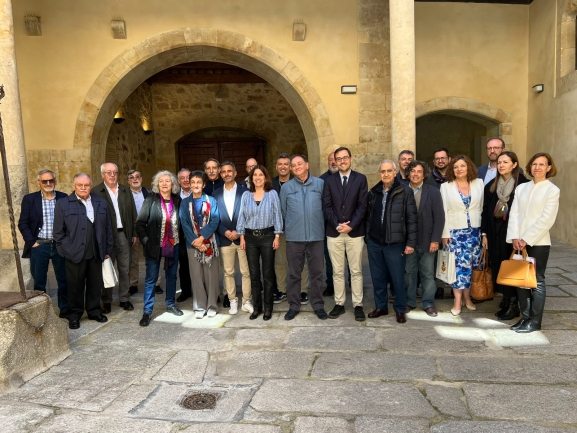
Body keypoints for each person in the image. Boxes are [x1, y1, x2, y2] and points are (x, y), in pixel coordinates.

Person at [507, 152, 560, 333]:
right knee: (521, 281)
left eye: (542, 164)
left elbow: (547, 219)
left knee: (537, 281)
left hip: (538, 242)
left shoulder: (552, 190)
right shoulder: (521, 188)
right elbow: (514, 213)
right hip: (518, 242)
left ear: (549, 168)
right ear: (530, 166)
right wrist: (515, 237)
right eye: (534, 164)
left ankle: (535, 321)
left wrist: (526, 238)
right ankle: (525, 318)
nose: (537, 167)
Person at [53, 173, 113, 329]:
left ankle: (94, 311)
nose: (83, 188)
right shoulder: (63, 204)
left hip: (96, 251)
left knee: (95, 284)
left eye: (86, 185)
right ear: (73, 186)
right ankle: (74, 315)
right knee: (75, 286)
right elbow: (58, 232)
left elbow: (108, 227)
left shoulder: (100, 202)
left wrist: (107, 249)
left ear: (91, 186)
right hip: (74, 253)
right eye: (80, 185)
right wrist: (66, 250)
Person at [365, 160, 417, 324]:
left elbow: (411, 219)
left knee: (397, 278)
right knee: (377, 277)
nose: (386, 174)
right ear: (379, 174)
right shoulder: (373, 192)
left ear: (395, 172)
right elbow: (368, 216)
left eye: (389, 171)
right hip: (375, 242)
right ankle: (381, 307)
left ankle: (400, 309)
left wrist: (410, 243)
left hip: (395, 243)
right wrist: (368, 237)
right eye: (383, 171)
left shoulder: (405, 191)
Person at [481, 151, 529, 320]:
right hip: (495, 233)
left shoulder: (523, 185)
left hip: (514, 234)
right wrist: (484, 234)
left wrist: (522, 235)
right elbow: (485, 211)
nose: (501, 165)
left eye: (505, 162)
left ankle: (514, 303)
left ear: (514, 164)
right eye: (499, 162)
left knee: (513, 266)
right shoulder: (491, 186)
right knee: (499, 265)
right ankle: (506, 299)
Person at [280, 154, 328, 320]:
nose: (297, 167)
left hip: (316, 236)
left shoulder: (320, 184)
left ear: (307, 165)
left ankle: (318, 304)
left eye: (299, 164)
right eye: (293, 165)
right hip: (294, 238)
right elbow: (283, 211)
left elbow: (326, 208)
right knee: (294, 274)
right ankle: (294, 305)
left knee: (317, 273)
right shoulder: (286, 187)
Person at [323, 147, 368, 321]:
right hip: (334, 233)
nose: (342, 161)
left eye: (345, 158)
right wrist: (337, 225)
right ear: (335, 161)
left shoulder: (361, 179)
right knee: (337, 271)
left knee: (356, 270)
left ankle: (358, 305)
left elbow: (362, 206)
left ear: (351, 159)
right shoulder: (329, 181)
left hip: (354, 233)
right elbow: (327, 206)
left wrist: (351, 225)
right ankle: (339, 303)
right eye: (338, 159)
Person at [135, 171, 184, 326]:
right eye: (161, 181)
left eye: (167, 181)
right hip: (154, 246)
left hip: (174, 245)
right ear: (157, 184)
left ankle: (170, 304)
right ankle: (147, 311)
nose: (164, 184)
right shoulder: (151, 200)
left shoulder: (178, 200)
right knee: (151, 278)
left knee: (171, 276)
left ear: (172, 184)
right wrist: (146, 241)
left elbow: (182, 222)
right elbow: (140, 223)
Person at [18, 169, 68, 317]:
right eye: (44, 181)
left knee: (64, 280)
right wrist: (31, 242)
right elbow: (23, 223)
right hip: (39, 245)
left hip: (59, 245)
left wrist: (67, 242)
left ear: (55, 182)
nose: (48, 183)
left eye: (51, 180)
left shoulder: (64, 198)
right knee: (39, 282)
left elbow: (70, 222)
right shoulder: (30, 199)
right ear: (38, 183)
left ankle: (65, 311)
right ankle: (41, 314)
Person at [237, 165, 283, 320]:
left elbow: (277, 215)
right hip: (250, 238)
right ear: (251, 178)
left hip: (267, 237)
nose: (257, 177)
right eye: (255, 175)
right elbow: (241, 216)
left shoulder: (272, 194)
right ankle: (257, 308)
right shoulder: (246, 195)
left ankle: (268, 308)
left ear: (265, 177)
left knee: (268, 274)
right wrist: (242, 237)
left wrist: (277, 236)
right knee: (254, 274)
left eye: (260, 175)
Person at [441, 155, 484, 315]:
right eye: (455, 167)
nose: (459, 169)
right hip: (456, 233)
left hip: (475, 232)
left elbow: (482, 208)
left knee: (472, 267)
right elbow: (444, 211)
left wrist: (484, 233)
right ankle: (457, 301)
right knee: (458, 268)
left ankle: (468, 298)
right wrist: (445, 233)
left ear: (469, 167)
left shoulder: (479, 183)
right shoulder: (446, 187)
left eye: (462, 166)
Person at [92, 162, 138, 313]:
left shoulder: (125, 190)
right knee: (107, 269)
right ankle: (106, 301)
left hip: (124, 234)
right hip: (106, 237)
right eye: (109, 172)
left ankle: (124, 298)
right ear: (102, 175)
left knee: (125, 269)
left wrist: (134, 233)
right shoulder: (96, 192)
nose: (112, 175)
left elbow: (133, 213)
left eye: (115, 172)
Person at [403, 161, 445, 317]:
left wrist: (435, 240)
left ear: (424, 174)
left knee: (427, 273)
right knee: (409, 273)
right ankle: (410, 301)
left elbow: (439, 218)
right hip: (407, 241)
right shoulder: (401, 190)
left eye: (419, 171)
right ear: (408, 173)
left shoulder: (433, 192)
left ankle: (428, 303)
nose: (415, 174)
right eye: (413, 171)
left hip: (428, 241)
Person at [213, 162, 253, 315]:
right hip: (225, 239)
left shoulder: (245, 192)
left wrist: (240, 231)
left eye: (229, 171)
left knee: (245, 271)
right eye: (223, 171)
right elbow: (214, 217)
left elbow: (250, 214)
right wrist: (224, 232)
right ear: (220, 174)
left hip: (242, 238)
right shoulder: (215, 194)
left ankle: (247, 301)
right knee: (228, 272)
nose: (227, 174)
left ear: (235, 173)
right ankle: (232, 301)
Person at [180, 171, 221, 319]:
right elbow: (184, 223)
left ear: (203, 184)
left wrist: (202, 238)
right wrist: (197, 242)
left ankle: (212, 306)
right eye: (193, 182)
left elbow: (215, 220)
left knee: (211, 276)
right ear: (190, 185)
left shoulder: (211, 200)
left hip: (210, 243)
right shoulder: (184, 203)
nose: (196, 185)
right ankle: (199, 306)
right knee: (196, 276)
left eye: (199, 182)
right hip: (192, 245)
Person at [272, 152, 309, 304]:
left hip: (297, 228)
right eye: (280, 164)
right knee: (280, 261)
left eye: (286, 164)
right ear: (276, 166)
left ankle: (302, 290)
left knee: (300, 261)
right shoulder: (271, 184)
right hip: (278, 230)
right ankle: (281, 290)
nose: (283, 167)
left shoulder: (298, 182)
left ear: (290, 167)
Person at [127, 169, 150, 296]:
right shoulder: (124, 194)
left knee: (151, 257)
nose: (135, 179)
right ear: (128, 181)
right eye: (131, 177)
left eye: (137, 176)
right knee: (133, 259)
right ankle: (133, 284)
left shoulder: (149, 192)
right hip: (133, 229)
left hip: (148, 228)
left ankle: (155, 283)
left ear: (141, 178)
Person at [319, 152, 339, 296]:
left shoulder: (351, 178)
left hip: (349, 227)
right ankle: (331, 284)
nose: (333, 162)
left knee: (350, 260)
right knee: (330, 259)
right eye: (330, 160)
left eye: (335, 159)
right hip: (328, 227)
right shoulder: (322, 180)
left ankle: (351, 282)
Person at [175, 168, 193, 302]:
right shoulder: (174, 195)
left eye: (188, 177)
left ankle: (203, 291)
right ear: (178, 181)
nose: (186, 180)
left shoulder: (199, 192)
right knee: (184, 264)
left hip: (198, 234)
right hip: (180, 234)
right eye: (183, 178)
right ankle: (186, 291)